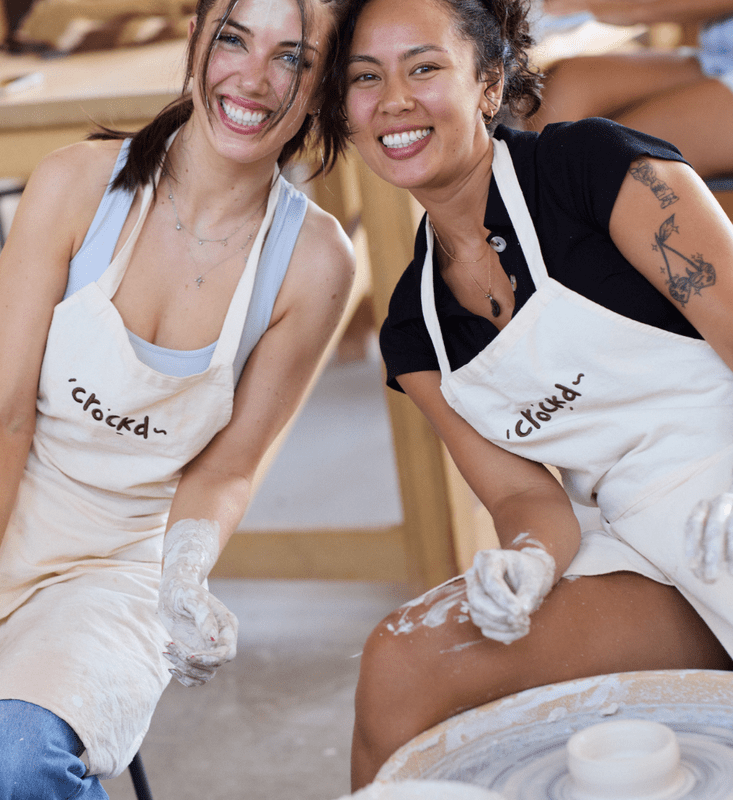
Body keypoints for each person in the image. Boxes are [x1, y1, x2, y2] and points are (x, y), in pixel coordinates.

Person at [0, 0, 354, 794]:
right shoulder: (77, 184)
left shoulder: (313, 263)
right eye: (233, 40)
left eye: (291, 58)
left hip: (116, 560)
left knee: (14, 762)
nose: (252, 79)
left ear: (323, 84)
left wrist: (185, 576)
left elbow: (228, 466)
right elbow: (2, 415)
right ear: (194, 41)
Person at [318, 0, 733, 788]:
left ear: (489, 84)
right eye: (365, 79)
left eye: (423, 68)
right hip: (646, 553)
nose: (394, 100)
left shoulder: (594, 169)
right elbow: (522, 496)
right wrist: (529, 563)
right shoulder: (415, 328)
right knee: (403, 662)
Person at [530, 0, 733, 177]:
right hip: (722, 55)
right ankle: (530, 200)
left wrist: (631, 8)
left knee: (607, 152)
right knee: (567, 83)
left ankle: (558, 200)